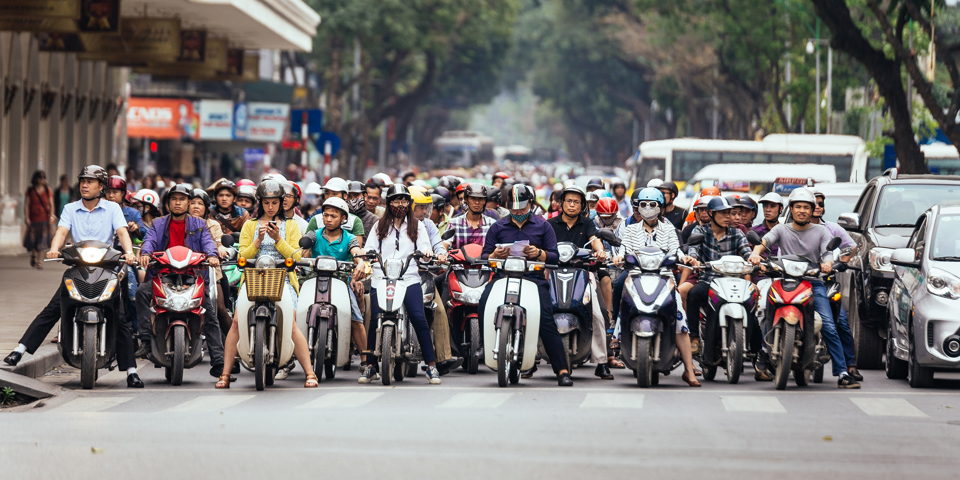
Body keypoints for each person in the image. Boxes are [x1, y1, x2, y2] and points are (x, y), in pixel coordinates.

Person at [4, 166, 142, 388]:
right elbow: (61, 232)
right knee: (54, 308)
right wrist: (54, 248)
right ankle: (20, 351)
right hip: (78, 265)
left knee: (120, 314)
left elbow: (123, 232)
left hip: (107, 267)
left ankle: (131, 372)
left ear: (101, 186)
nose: (84, 185)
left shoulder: (112, 209)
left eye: (90, 181)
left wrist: (128, 252)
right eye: (82, 181)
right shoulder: (70, 208)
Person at [748, 188, 860, 388]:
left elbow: (827, 252)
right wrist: (756, 253)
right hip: (783, 281)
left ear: (812, 210)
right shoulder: (781, 229)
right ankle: (764, 353)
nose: (802, 211)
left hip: (813, 283)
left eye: (806, 207)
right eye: (798, 207)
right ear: (791, 209)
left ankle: (842, 372)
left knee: (828, 324)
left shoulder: (821, 231)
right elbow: (764, 242)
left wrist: (827, 263)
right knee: (766, 311)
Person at [216, 180, 319, 388]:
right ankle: (225, 375)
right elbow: (241, 256)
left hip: (282, 279)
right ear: (259, 203)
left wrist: (278, 239)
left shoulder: (290, 225)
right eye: (266, 202)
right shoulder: (250, 225)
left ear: (281, 203)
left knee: (290, 323)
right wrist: (257, 242)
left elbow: (296, 256)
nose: (270, 207)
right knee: (236, 321)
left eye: (274, 202)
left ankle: (310, 373)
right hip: (253, 279)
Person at [479, 184, 573, 387]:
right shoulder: (498, 227)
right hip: (503, 277)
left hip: (534, 279)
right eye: (514, 209)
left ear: (530, 204)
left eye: (521, 208)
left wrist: (539, 254)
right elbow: (485, 255)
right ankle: (483, 346)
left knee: (546, 319)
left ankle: (562, 369)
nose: (518, 213)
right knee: (483, 303)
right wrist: (495, 255)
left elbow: (554, 256)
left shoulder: (543, 226)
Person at [611, 188, 701, 387]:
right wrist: (618, 256)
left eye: (652, 204)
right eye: (643, 204)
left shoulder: (668, 228)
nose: (648, 208)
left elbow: (676, 250)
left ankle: (688, 369)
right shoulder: (631, 229)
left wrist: (684, 257)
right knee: (624, 302)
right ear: (637, 207)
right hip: (636, 277)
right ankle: (617, 336)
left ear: (660, 208)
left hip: (664, 278)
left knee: (679, 319)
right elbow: (624, 248)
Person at [134, 184, 226, 377]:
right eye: (174, 199)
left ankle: (219, 360)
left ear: (188, 202)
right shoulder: (158, 224)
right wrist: (145, 254)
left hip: (192, 277)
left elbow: (209, 243)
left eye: (182, 199)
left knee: (208, 311)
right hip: (162, 276)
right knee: (142, 292)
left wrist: (212, 255)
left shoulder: (199, 225)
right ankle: (146, 341)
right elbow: (149, 241)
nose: (178, 203)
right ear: (168, 203)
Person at [358, 184, 443, 385]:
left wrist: (427, 253)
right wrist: (365, 255)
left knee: (418, 318)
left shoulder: (418, 225)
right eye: (396, 200)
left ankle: (431, 366)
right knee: (375, 317)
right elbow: (369, 248)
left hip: (409, 277)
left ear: (409, 203)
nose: (400, 204)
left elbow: (424, 247)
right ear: (389, 203)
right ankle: (370, 366)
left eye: (404, 200)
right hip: (382, 278)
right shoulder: (380, 225)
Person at [548, 186, 613, 380]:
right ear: (561, 203)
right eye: (569, 201)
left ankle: (601, 362)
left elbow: (595, 240)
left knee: (597, 315)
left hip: (582, 274)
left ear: (582, 205)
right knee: (537, 311)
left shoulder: (587, 224)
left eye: (577, 202)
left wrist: (600, 251)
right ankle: (529, 361)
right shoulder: (550, 224)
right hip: (552, 274)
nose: (572, 205)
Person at [300, 197, 371, 371]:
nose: (329, 219)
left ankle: (366, 362)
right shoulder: (314, 234)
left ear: (343, 219)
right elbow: (302, 251)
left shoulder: (350, 238)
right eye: (326, 215)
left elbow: (356, 253)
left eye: (333, 216)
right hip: (313, 280)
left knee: (356, 318)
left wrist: (360, 262)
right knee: (296, 311)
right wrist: (304, 253)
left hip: (340, 281)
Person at [684, 196, 752, 363]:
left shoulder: (737, 233)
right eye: (723, 213)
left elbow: (747, 253)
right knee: (693, 294)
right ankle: (694, 338)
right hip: (709, 281)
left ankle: (758, 354)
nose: (728, 216)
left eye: (729, 213)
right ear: (711, 214)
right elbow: (693, 250)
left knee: (751, 307)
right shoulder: (700, 231)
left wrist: (754, 261)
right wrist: (693, 260)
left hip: (733, 283)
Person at [808, 188, 862, 381]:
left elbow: (851, 246)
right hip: (798, 282)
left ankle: (848, 366)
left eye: (820, 204)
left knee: (839, 323)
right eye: (810, 204)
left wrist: (841, 263)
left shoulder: (830, 230)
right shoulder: (788, 229)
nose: (816, 207)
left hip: (825, 283)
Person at [409, 186, 461, 374]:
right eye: (420, 207)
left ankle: (442, 358)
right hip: (396, 276)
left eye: (426, 207)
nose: (424, 212)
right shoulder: (394, 224)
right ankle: (372, 359)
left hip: (422, 275)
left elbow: (439, 245)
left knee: (438, 310)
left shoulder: (428, 225)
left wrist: (440, 255)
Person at [189, 188, 233, 340]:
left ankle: (233, 346)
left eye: (200, 204)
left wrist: (220, 249)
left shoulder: (212, 224)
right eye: (192, 203)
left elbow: (220, 242)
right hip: (184, 270)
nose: (195, 206)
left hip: (211, 271)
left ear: (206, 207)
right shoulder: (180, 223)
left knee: (220, 308)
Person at [309, 177, 365, 244]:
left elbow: (356, 251)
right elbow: (306, 249)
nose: (329, 197)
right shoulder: (316, 220)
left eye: (334, 194)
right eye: (327, 193)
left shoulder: (355, 221)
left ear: (345, 196)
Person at [23, 170, 55, 269]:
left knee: (42, 242)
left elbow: (51, 204)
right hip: (33, 220)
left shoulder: (47, 190)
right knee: (32, 241)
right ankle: (33, 254)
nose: (41, 180)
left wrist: (52, 215)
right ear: (35, 178)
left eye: (43, 178)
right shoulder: (30, 190)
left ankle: (39, 262)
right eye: (40, 177)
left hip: (44, 219)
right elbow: (27, 205)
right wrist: (27, 217)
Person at [105, 176, 144, 240]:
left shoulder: (133, 213)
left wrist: (136, 227)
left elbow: (144, 234)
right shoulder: (99, 211)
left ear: (123, 193)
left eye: (115, 192)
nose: (111, 195)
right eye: (108, 192)